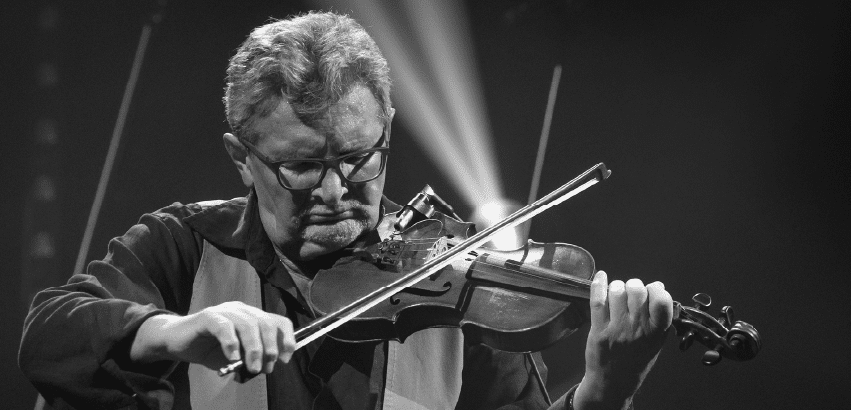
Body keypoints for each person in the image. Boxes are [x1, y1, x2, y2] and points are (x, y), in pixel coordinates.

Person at [19, 11, 673, 410]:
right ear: (241, 157)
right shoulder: (184, 246)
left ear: (385, 129)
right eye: (303, 167)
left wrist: (603, 392)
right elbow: (49, 334)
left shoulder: (463, 285)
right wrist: (173, 332)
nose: (335, 191)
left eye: (360, 158)